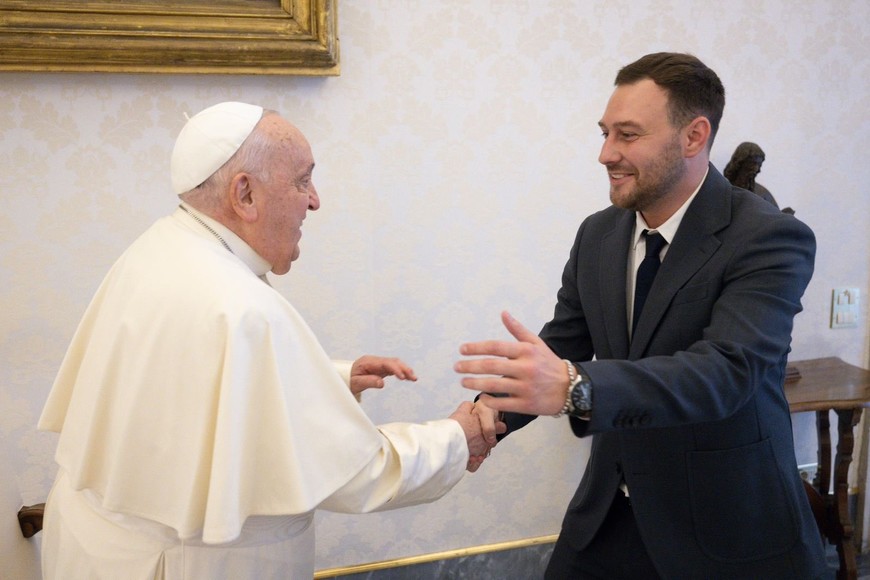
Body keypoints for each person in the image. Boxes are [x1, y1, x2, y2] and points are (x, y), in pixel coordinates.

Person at [38, 101, 490, 579]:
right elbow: (357, 474)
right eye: (302, 181)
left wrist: (331, 379)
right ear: (245, 194)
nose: (315, 201)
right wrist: (456, 437)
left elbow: (197, 385)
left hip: (96, 549)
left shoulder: (162, 245)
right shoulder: (241, 306)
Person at [455, 53, 826, 579]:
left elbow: (725, 372)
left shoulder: (769, 237)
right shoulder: (598, 234)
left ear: (693, 136)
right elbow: (562, 346)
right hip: (606, 516)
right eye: (605, 133)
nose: (606, 153)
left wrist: (577, 388)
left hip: (728, 529)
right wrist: (484, 417)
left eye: (627, 135)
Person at [723, 141, 782, 209]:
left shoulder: (763, 194)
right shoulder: (722, 190)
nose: (756, 169)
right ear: (739, 163)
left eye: (759, 165)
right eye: (752, 163)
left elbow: (775, 213)